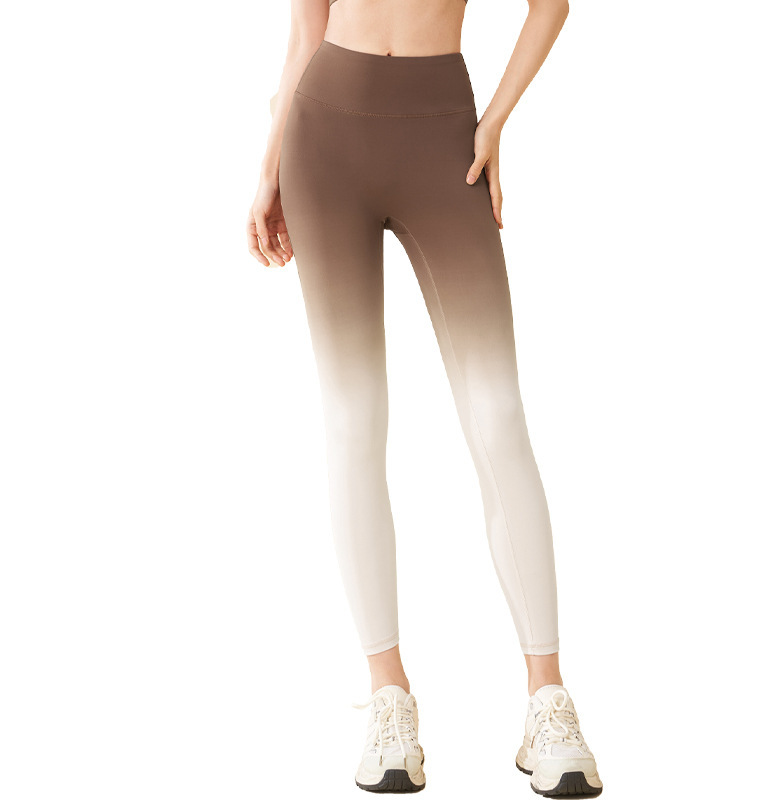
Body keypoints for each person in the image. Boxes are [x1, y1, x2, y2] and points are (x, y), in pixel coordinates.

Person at [246, 0, 602, 795]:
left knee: (497, 412)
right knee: (353, 418)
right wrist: (269, 167)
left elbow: (552, 4)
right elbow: (306, 33)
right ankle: (389, 698)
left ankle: (548, 699)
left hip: (443, 136)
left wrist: (495, 121)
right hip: (323, 136)